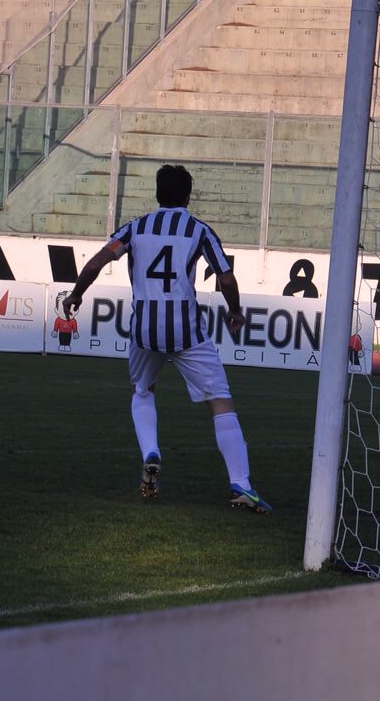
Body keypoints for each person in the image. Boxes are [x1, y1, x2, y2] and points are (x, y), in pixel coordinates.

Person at [63, 164, 270, 513]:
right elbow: (227, 279)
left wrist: (76, 295)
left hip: (144, 329)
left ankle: (151, 452)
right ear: (188, 196)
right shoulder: (198, 229)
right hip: (186, 330)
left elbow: (97, 262)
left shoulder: (136, 227)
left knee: (142, 390)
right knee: (220, 401)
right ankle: (241, 484)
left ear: (157, 195)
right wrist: (235, 311)